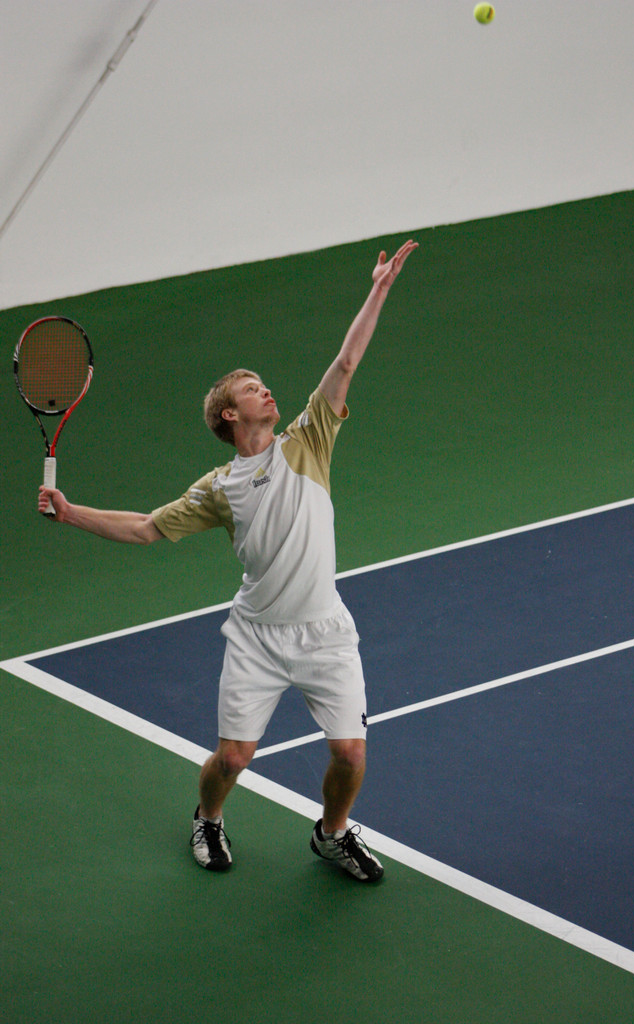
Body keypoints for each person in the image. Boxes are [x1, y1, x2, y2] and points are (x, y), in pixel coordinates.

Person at [38, 239, 418, 882]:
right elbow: (146, 529)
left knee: (351, 754)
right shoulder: (220, 488)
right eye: (253, 389)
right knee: (234, 758)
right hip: (259, 638)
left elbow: (347, 360)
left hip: (326, 628)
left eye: (266, 387)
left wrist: (378, 288)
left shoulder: (309, 439)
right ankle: (208, 820)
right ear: (228, 414)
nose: (268, 392)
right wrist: (72, 512)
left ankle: (331, 834)